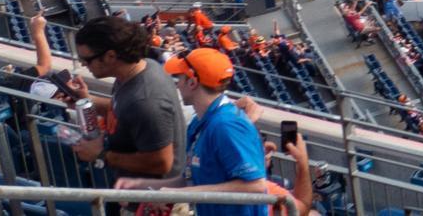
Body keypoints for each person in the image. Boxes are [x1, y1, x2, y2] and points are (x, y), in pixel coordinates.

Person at [115, 49, 304, 216]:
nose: (177, 84)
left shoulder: (227, 125)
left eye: (180, 78)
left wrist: (178, 194)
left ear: (192, 82)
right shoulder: (200, 122)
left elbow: (255, 185)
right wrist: (146, 189)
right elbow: (191, 178)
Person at [69, 16, 182, 187]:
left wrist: (101, 154)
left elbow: (162, 162)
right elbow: (123, 110)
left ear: (110, 56)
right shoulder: (135, 72)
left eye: (87, 59)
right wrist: (86, 99)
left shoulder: (147, 100)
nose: (84, 65)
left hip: (154, 203)